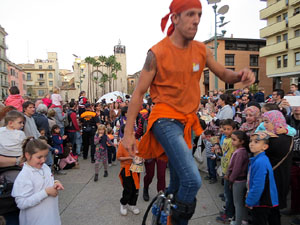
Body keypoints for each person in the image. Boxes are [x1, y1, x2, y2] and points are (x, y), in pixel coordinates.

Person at [123, 0, 255, 223]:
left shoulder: (201, 50)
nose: (196, 20)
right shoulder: (156, 53)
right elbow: (138, 94)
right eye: (191, 14)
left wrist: (239, 76)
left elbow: (224, 74)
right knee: (193, 181)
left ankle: (158, 214)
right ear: (175, 18)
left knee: (176, 183)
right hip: (164, 120)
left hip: (186, 123)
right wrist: (128, 133)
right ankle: (173, 221)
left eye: (200, 15)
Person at [11, 138, 64, 225]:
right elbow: (21, 203)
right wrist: (46, 192)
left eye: (45, 156)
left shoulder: (45, 167)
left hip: (51, 217)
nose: (43, 160)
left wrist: (55, 182)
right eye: (39, 157)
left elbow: (49, 180)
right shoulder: (24, 176)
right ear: (27, 155)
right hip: (35, 220)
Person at [245, 131, 279, 225]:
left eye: (256, 142)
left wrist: (250, 201)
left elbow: (258, 185)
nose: (251, 144)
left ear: (264, 147)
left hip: (262, 201)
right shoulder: (258, 159)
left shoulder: (260, 162)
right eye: (250, 141)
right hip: (263, 199)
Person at [226, 131, 249, 225]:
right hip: (240, 180)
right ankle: (244, 219)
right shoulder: (241, 151)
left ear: (242, 141)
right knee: (241, 202)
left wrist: (230, 179)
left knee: (237, 203)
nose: (232, 142)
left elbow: (236, 169)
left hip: (238, 181)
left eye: (234, 140)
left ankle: (238, 222)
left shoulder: (240, 152)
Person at [117, 125, 140, 216]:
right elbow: (118, 157)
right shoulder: (122, 144)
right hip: (126, 168)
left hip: (136, 167)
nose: (134, 133)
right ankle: (123, 203)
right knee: (128, 188)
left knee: (136, 188)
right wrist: (130, 157)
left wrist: (141, 158)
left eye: (133, 131)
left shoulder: (137, 142)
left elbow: (141, 154)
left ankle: (132, 204)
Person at [216, 119, 236, 223]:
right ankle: (229, 211)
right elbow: (225, 153)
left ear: (234, 129)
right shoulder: (225, 139)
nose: (226, 131)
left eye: (229, 129)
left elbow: (233, 158)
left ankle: (229, 215)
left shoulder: (233, 142)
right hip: (225, 168)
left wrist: (228, 172)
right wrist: (219, 151)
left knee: (229, 195)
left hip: (229, 172)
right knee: (226, 193)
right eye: (224, 129)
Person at [286, 106, 300, 225]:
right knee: (294, 187)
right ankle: (294, 209)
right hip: (293, 159)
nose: (297, 108)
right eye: (295, 105)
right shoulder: (287, 120)